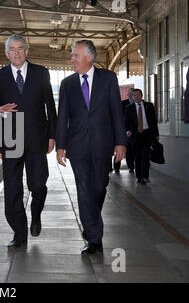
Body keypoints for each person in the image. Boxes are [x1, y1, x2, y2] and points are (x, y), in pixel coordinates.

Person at [56, 40, 126, 255]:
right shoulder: (67, 84)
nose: (72, 59)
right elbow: (63, 117)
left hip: (102, 144)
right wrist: (61, 146)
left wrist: (120, 142)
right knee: (84, 189)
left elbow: (116, 111)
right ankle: (94, 238)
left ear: (89, 57)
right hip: (77, 146)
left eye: (75, 55)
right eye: (72, 55)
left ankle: (91, 222)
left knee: (99, 187)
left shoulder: (108, 78)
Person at [0, 34, 57, 247]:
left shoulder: (41, 73)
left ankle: (36, 214)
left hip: (37, 138)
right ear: (6, 52)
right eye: (12, 49)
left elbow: (50, 107)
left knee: (37, 185)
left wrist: (53, 135)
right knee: (12, 189)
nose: (16, 53)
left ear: (27, 51)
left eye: (20, 49)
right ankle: (19, 234)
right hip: (10, 140)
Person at [125, 89, 159, 184]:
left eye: (138, 95)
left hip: (147, 134)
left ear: (142, 95)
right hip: (135, 135)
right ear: (132, 97)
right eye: (134, 95)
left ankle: (145, 177)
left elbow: (153, 121)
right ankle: (138, 176)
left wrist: (156, 134)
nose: (136, 97)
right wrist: (127, 131)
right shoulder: (129, 108)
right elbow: (126, 122)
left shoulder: (149, 106)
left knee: (145, 155)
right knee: (137, 156)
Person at [113, 87, 135, 173]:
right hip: (122, 130)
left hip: (134, 131)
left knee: (130, 150)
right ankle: (116, 167)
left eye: (134, 94)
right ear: (128, 95)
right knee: (119, 148)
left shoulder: (138, 103)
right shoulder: (123, 104)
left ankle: (131, 167)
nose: (132, 96)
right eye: (131, 94)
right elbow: (119, 117)